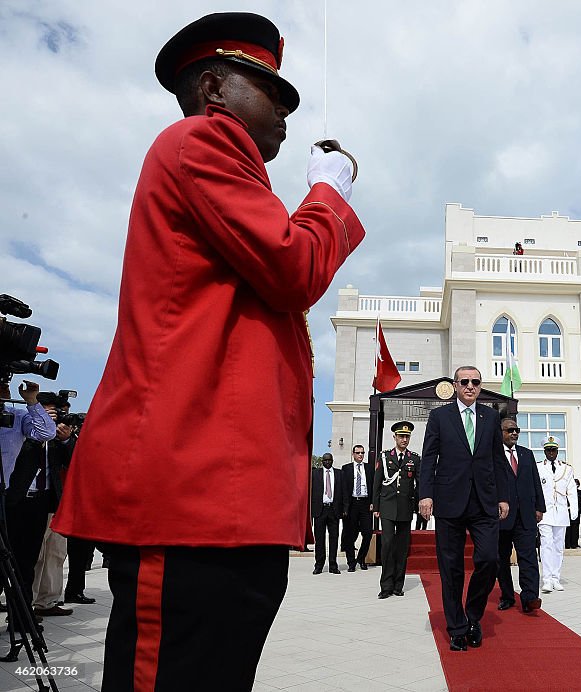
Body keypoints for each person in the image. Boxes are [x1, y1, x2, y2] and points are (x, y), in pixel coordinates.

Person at [51, 12, 365, 689]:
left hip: (216, 499)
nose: (284, 107)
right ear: (215, 87)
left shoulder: (225, 166)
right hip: (190, 495)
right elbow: (293, 267)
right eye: (269, 87)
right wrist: (328, 193)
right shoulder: (202, 141)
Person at [419, 368, 509, 651]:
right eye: (465, 381)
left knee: (489, 559)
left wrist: (503, 497)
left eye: (476, 382)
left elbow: (497, 459)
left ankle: (473, 615)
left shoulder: (491, 417)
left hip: (484, 501)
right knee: (451, 568)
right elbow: (429, 457)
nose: (470, 386)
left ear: (480, 386)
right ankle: (457, 628)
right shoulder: (440, 417)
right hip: (449, 500)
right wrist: (426, 495)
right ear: (455, 385)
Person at [4, 388, 60, 629]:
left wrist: (32, 403)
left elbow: (46, 432)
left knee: (25, 563)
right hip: (12, 501)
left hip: (33, 504)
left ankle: (21, 618)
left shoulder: (17, 416)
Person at [31, 393, 78, 617]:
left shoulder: (62, 438)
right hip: (30, 502)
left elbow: (74, 462)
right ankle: (25, 602)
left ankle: (47, 601)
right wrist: (40, 428)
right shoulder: (27, 428)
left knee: (56, 554)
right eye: (47, 411)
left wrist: (65, 440)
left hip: (57, 502)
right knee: (32, 554)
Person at [496, 417, 545, 613]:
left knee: (529, 558)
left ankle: (530, 597)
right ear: (500, 432)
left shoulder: (526, 454)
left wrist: (539, 507)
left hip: (526, 516)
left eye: (516, 430)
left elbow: (535, 482)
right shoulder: (493, 455)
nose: (514, 433)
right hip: (502, 517)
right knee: (501, 559)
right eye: (509, 430)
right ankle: (507, 596)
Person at [373, 422, 419, 597]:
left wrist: (419, 504)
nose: (404, 439)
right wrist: (376, 505)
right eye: (401, 436)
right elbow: (377, 482)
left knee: (402, 547)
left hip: (405, 508)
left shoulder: (414, 458)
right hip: (387, 506)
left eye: (407, 437)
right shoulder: (385, 457)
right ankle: (386, 586)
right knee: (387, 545)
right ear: (395, 437)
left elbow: (419, 484)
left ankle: (398, 585)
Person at [537, 437, 576, 594]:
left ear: (557, 451)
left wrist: (573, 510)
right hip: (545, 513)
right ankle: (547, 579)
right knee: (546, 545)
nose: (551, 453)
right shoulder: (538, 467)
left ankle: (555, 578)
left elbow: (572, 489)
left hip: (560, 512)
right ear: (544, 451)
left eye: (553, 450)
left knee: (558, 547)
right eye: (548, 450)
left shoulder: (566, 469)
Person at [341, 444, 375, 571]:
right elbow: (343, 489)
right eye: (358, 453)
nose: (360, 455)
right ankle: (351, 562)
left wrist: (373, 502)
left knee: (367, 533)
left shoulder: (370, 468)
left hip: (366, 504)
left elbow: (373, 486)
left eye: (362, 453)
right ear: (353, 454)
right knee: (350, 534)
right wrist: (344, 507)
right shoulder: (346, 469)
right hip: (352, 504)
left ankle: (361, 558)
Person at [310, 452, 342, 574]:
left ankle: (333, 565)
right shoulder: (315, 474)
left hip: (334, 510)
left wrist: (344, 509)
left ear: (332, 461)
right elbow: (311, 492)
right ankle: (319, 565)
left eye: (329, 460)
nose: (327, 462)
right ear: (322, 462)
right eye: (325, 460)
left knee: (334, 538)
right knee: (319, 539)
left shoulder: (339, 474)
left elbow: (343, 492)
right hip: (320, 510)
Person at [565, 479, 581, 549]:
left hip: (577, 512)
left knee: (575, 528)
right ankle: (567, 544)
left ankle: (574, 543)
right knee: (568, 528)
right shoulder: (567, 492)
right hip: (568, 512)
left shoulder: (580, 492)